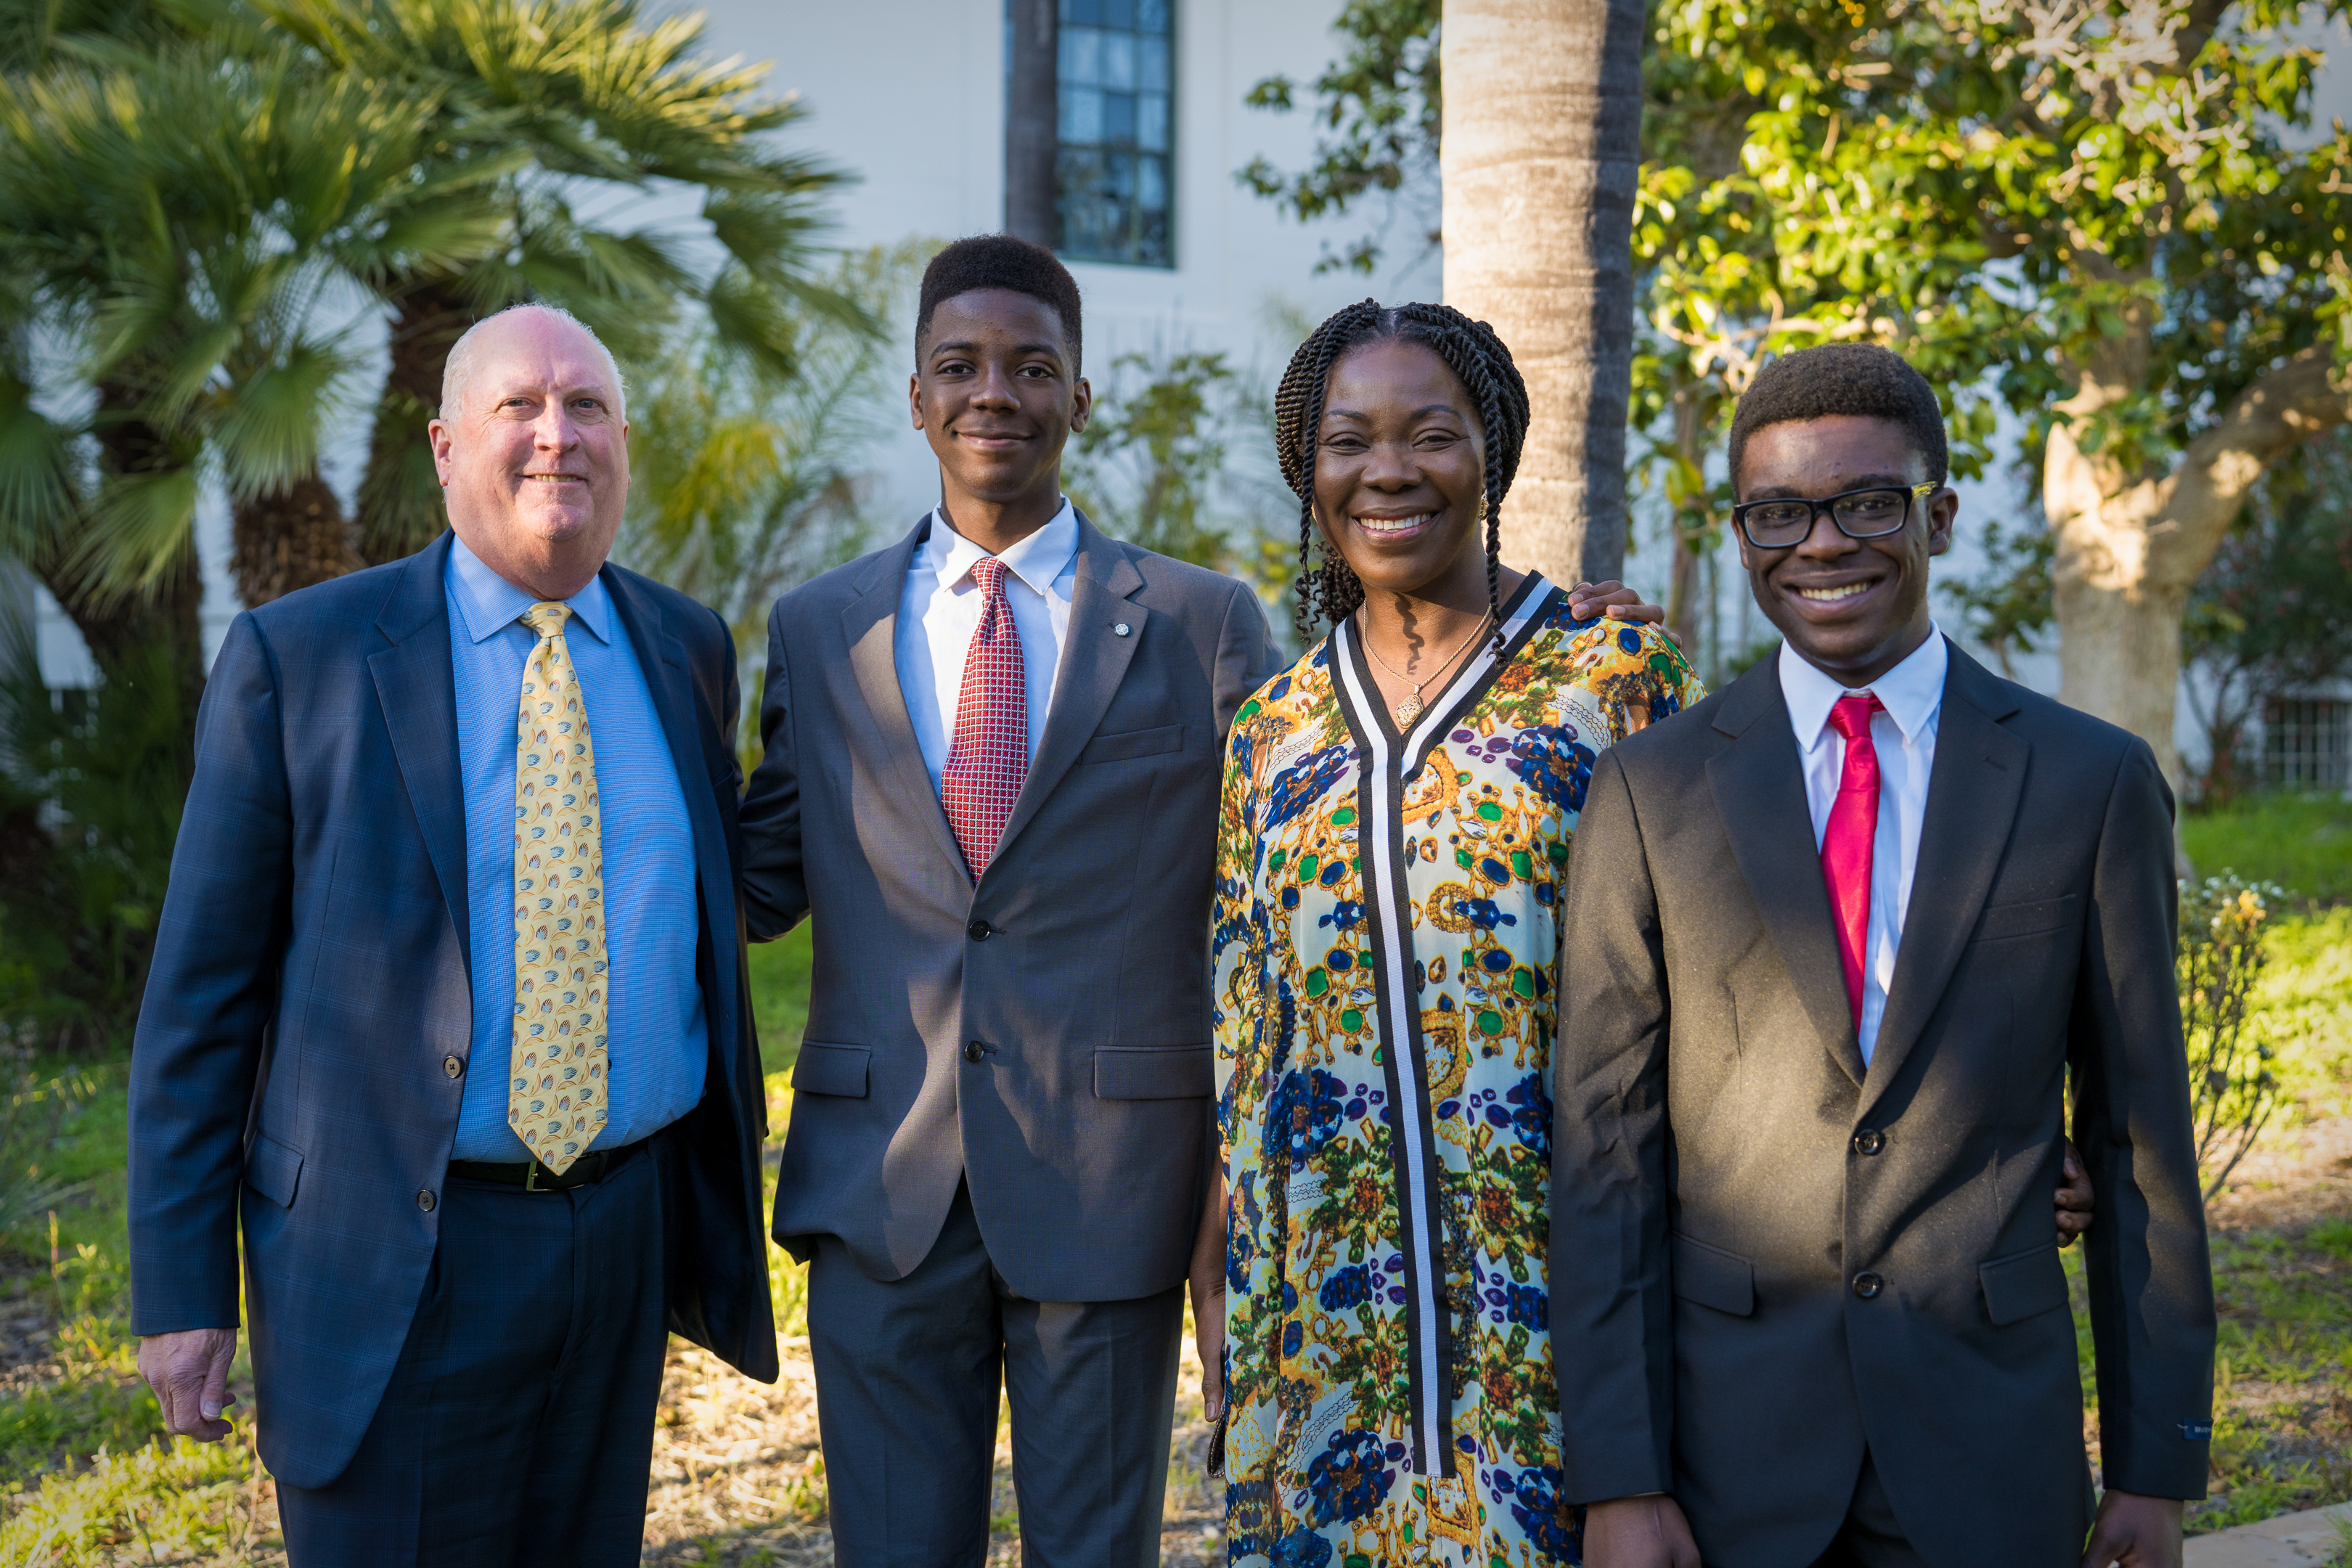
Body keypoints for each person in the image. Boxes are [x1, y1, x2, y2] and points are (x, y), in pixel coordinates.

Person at [738, 238, 1659, 1567]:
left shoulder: (1200, 623)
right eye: (960, 366)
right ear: (917, 394)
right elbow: (756, 872)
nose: (994, 392)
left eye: (1031, 367)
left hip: (1108, 1182)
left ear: (1080, 397)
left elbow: (1330, 817)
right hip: (877, 1186)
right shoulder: (821, 630)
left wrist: (1560, 636)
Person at [126, 304, 777, 1566]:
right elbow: (203, 999)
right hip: (394, 1255)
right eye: (519, 406)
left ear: (624, 443)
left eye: (588, 406)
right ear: (441, 445)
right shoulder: (299, 658)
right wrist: (185, 1290)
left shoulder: (685, 648)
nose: (557, 436)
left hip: (619, 1240)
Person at [1551, 343, 2214, 1568]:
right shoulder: (1652, 791)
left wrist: (2153, 1467)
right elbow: (1606, 1157)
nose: (1823, 544)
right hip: (1730, 1458)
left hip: (1987, 1445)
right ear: (1742, 533)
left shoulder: (2089, 783)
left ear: (1940, 514)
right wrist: (1621, 1479)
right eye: (1779, 513)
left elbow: (2137, 1143)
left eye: (1868, 503)